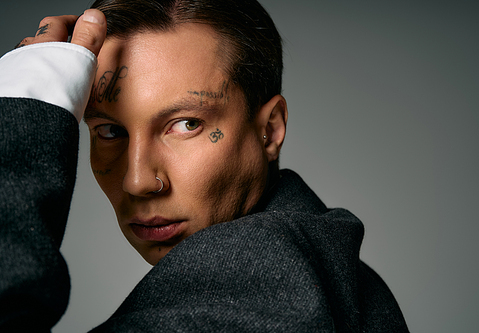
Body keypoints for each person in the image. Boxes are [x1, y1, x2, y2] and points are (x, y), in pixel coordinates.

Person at [0, 0, 408, 331]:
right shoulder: (318, 261)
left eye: (186, 124)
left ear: (269, 130)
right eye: (109, 131)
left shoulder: (264, 275)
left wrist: (19, 127)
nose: (138, 180)